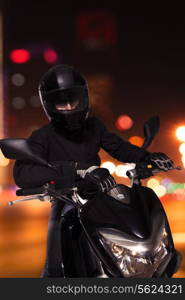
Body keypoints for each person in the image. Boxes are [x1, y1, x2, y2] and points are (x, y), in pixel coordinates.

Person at [13, 64, 174, 277]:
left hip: (100, 197)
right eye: (62, 104)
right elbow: (23, 173)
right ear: (49, 105)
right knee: (55, 265)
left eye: (74, 100)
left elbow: (119, 147)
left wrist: (147, 158)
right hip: (66, 201)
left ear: (84, 98)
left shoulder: (95, 127)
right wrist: (76, 170)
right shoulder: (43, 137)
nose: (70, 107)